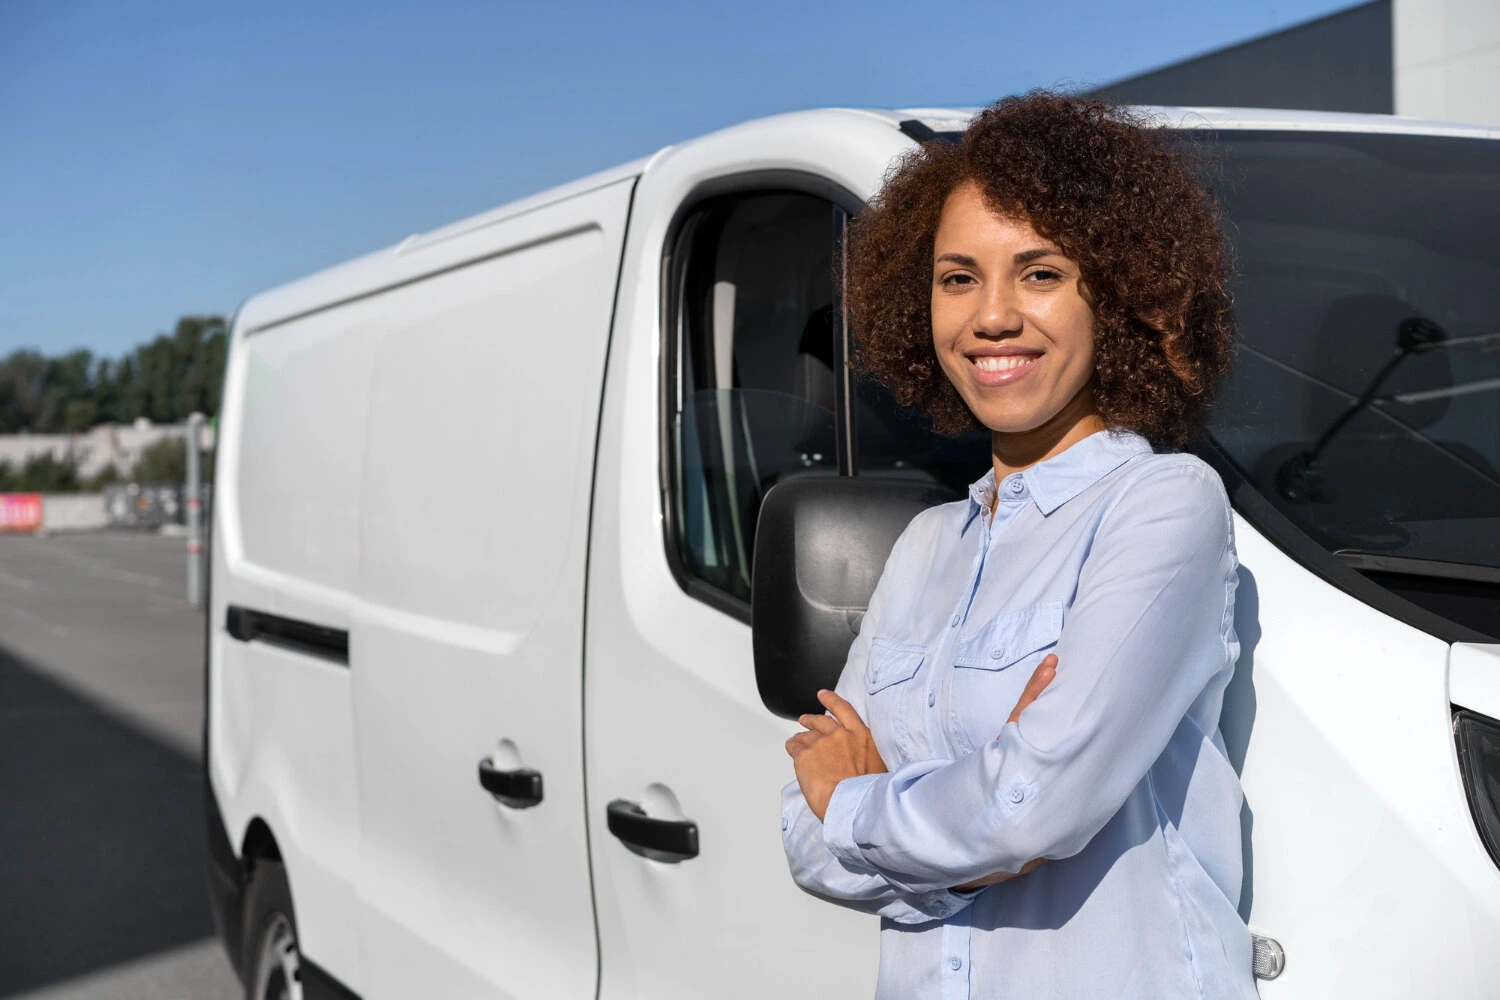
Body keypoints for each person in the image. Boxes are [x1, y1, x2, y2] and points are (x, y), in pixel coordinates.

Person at [780, 91, 1254, 999]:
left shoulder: (1163, 506)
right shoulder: (924, 548)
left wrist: (869, 801)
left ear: (1114, 297)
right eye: (959, 278)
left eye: (1040, 274)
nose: (991, 317)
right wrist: (978, 837)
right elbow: (805, 840)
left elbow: (1032, 806)